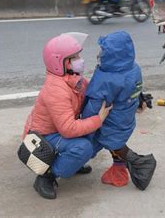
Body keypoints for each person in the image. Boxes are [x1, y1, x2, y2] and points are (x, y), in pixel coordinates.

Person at [22, 32, 111, 200]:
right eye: (74, 57)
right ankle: (46, 176)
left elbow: (93, 90)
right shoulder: (56, 89)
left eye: (79, 55)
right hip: (41, 138)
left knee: (98, 136)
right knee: (83, 147)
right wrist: (98, 119)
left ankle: (72, 163)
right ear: (59, 62)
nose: (80, 60)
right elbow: (68, 129)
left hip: (57, 132)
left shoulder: (73, 79)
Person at [81, 31, 156, 190]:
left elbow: (95, 104)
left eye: (103, 51)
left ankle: (142, 164)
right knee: (116, 143)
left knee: (113, 144)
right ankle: (119, 170)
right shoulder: (134, 68)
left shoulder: (107, 78)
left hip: (110, 120)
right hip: (125, 117)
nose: (100, 54)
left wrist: (83, 121)